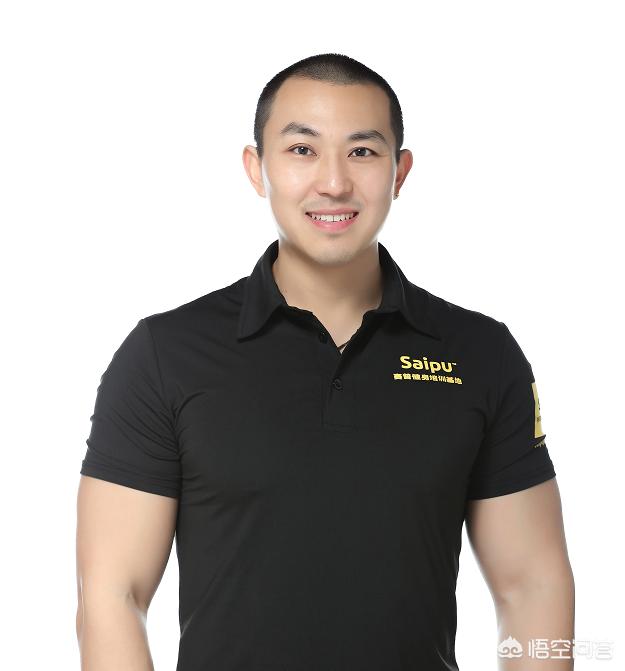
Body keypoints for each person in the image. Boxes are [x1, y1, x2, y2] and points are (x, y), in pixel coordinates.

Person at [76, 53, 575, 671]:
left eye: (362, 152)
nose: (334, 183)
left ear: (400, 172)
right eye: (302, 150)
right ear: (257, 169)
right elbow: (112, 596)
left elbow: (532, 586)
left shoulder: (481, 353)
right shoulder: (165, 354)